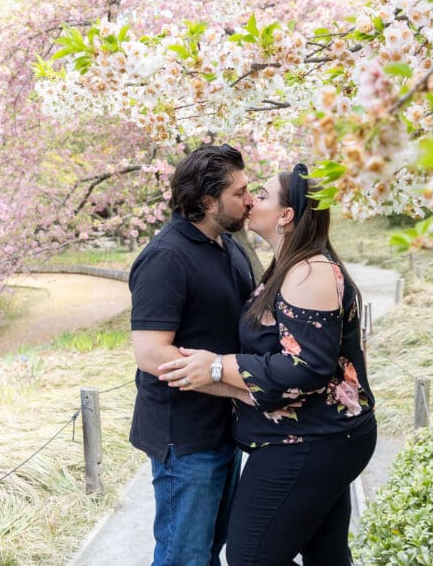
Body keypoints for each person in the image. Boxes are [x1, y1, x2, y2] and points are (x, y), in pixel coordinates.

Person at [158, 163, 377, 566]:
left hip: (310, 441)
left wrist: (218, 367)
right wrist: (214, 377)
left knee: (249, 557)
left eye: (261, 194)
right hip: (318, 437)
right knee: (326, 554)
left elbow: (306, 368)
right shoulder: (287, 265)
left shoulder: (309, 270)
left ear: (286, 214)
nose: (250, 200)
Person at [128, 143, 257, 566]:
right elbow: (151, 354)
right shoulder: (167, 257)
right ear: (207, 200)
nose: (249, 199)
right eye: (239, 192)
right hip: (183, 438)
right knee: (183, 556)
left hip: (223, 430)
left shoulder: (227, 247)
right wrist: (234, 388)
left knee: (210, 549)